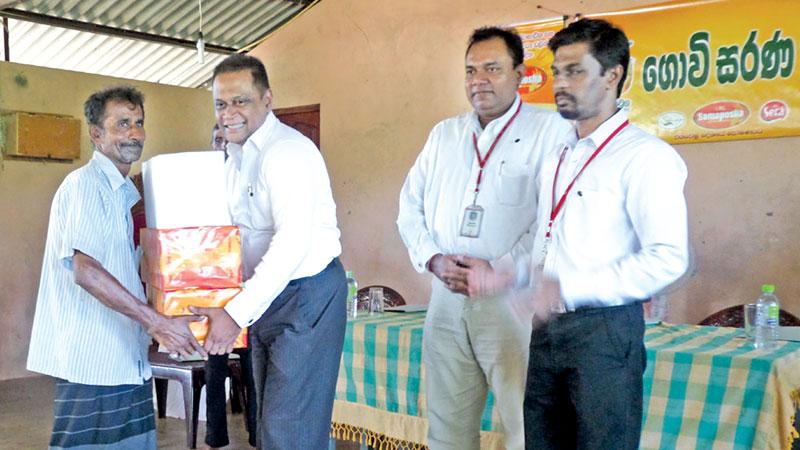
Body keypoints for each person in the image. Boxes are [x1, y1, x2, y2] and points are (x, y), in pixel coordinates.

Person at [396, 27, 572, 450]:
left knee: (524, 424)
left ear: (520, 74)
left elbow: (555, 218)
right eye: (471, 70)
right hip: (446, 298)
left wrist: (500, 270)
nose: (479, 80)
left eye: (492, 68)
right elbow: (409, 206)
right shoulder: (444, 135)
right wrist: (433, 258)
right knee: (446, 426)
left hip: (513, 299)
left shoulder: (551, 131)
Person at [521, 19, 689, 449]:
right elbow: (550, 237)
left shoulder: (646, 157)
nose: (560, 83)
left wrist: (570, 287)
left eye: (575, 71)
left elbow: (668, 257)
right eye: (557, 71)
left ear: (612, 75)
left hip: (605, 332)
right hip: (546, 329)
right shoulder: (558, 155)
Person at [26, 86, 204, 449]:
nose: (135, 133)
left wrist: (165, 313)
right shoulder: (85, 186)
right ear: (96, 133)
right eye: (122, 124)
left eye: (139, 123)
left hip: (124, 355)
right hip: (93, 360)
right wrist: (156, 322)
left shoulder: (119, 193)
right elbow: (85, 270)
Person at [192, 54, 346, 449]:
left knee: (287, 428)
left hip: (306, 295)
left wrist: (235, 313)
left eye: (240, 101)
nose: (229, 113)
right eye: (220, 104)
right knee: (274, 425)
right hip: (269, 296)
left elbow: (292, 242)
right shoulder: (236, 159)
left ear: (267, 99)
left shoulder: (286, 152)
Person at [204, 123, 258, 449]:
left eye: (226, 139)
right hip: (214, 282)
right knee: (215, 364)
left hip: (248, 282)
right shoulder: (206, 181)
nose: (222, 145)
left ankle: (256, 433)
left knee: (253, 365)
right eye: (217, 140)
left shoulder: (248, 174)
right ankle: (215, 436)